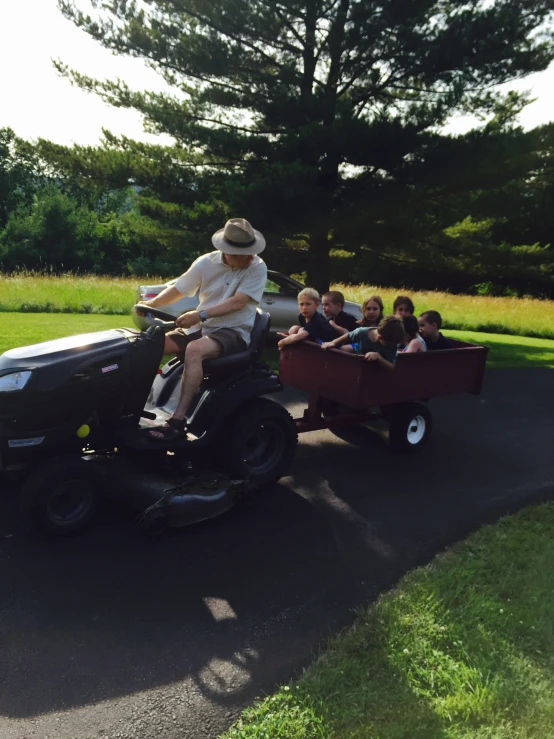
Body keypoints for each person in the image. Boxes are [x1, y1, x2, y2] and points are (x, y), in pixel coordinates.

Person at [139, 218, 268, 441]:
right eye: (244, 253)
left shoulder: (257, 267)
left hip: (233, 330)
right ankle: (135, 406)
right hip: (202, 326)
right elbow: (178, 289)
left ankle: (178, 421)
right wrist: (151, 305)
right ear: (226, 251)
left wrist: (199, 314)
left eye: (251, 251)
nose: (250, 256)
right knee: (150, 346)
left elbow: (238, 303)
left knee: (194, 350)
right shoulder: (205, 263)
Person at [321, 315, 405, 370]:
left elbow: (391, 366)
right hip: (358, 366)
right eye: (389, 344)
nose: (392, 346)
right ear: (380, 337)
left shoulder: (393, 342)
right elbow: (348, 335)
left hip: (376, 371)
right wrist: (333, 342)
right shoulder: (362, 333)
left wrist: (379, 357)